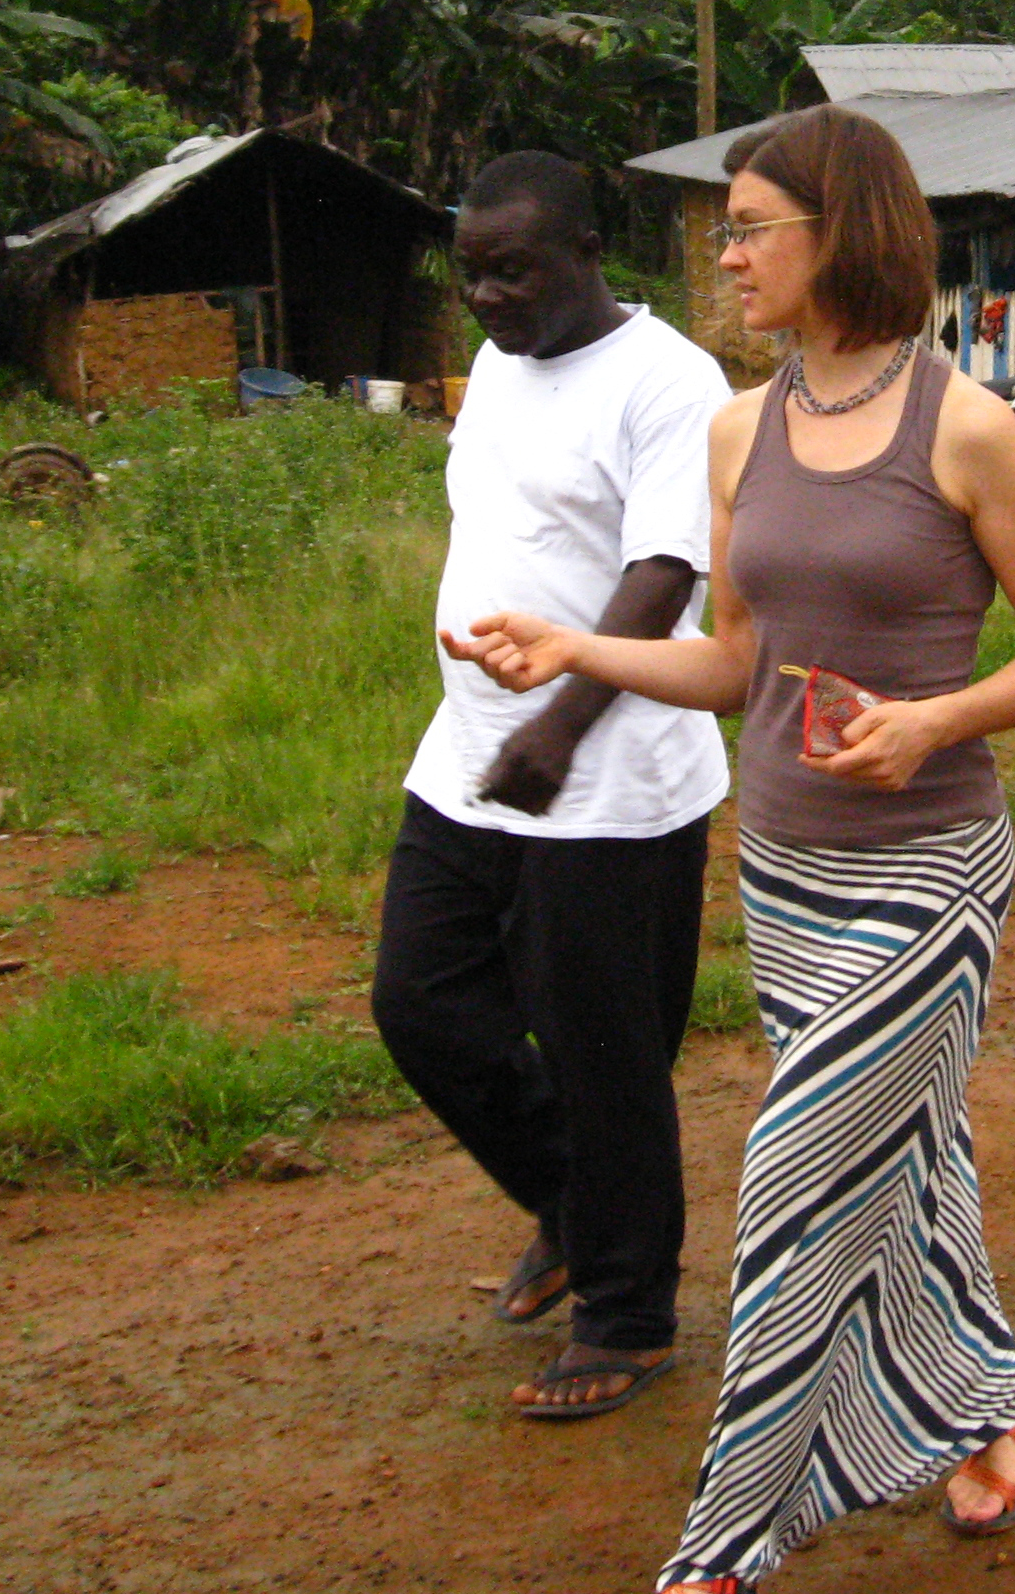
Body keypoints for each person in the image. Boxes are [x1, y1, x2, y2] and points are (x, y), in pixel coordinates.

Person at [445, 103, 1015, 1594]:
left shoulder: (967, 427)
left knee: (799, 1175)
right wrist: (575, 648)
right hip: (790, 871)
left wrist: (936, 719)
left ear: (840, 231)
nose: (726, 255)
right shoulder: (741, 429)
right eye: (728, 230)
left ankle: (731, 1537)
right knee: (909, 1159)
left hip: (931, 867)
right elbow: (737, 662)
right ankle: (993, 1395)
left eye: (750, 229)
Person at [370, 150, 732, 1423]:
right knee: (421, 1003)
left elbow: (665, 571)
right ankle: (577, 1212)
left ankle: (629, 1316)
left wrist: (563, 728)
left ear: (587, 251)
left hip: (609, 774)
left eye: (512, 272)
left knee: (603, 1056)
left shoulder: (669, 381)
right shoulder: (498, 371)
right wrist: (508, 729)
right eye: (471, 273)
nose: (487, 297)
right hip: (468, 754)